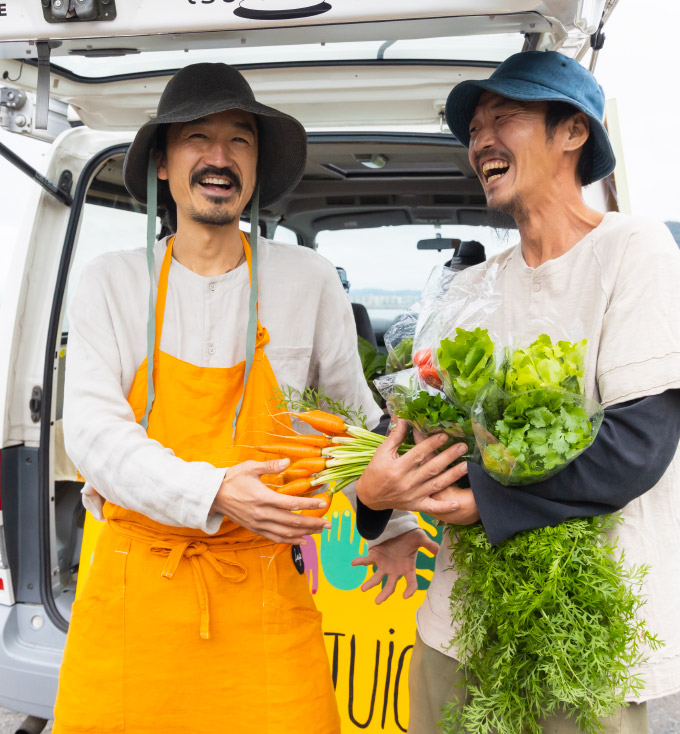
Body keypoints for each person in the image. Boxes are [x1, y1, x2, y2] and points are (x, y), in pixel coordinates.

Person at [53, 62, 444, 734]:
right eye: (197, 139)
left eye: (240, 141)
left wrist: (398, 526)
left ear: (256, 168)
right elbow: (92, 433)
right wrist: (214, 491)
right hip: (132, 593)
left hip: (263, 585)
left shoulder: (308, 281)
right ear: (164, 168)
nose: (219, 157)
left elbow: (352, 418)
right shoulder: (110, 283)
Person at [354, 50, 680, 733]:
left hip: (584, 640)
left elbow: (636, 447)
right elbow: (417, 430)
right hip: (456, 627)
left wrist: (480, 500)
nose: (481, 142)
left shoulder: (634, 250)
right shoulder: (471, 288)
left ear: (573, 132)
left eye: (504, 118)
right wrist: (376, 499)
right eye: (473, 130)